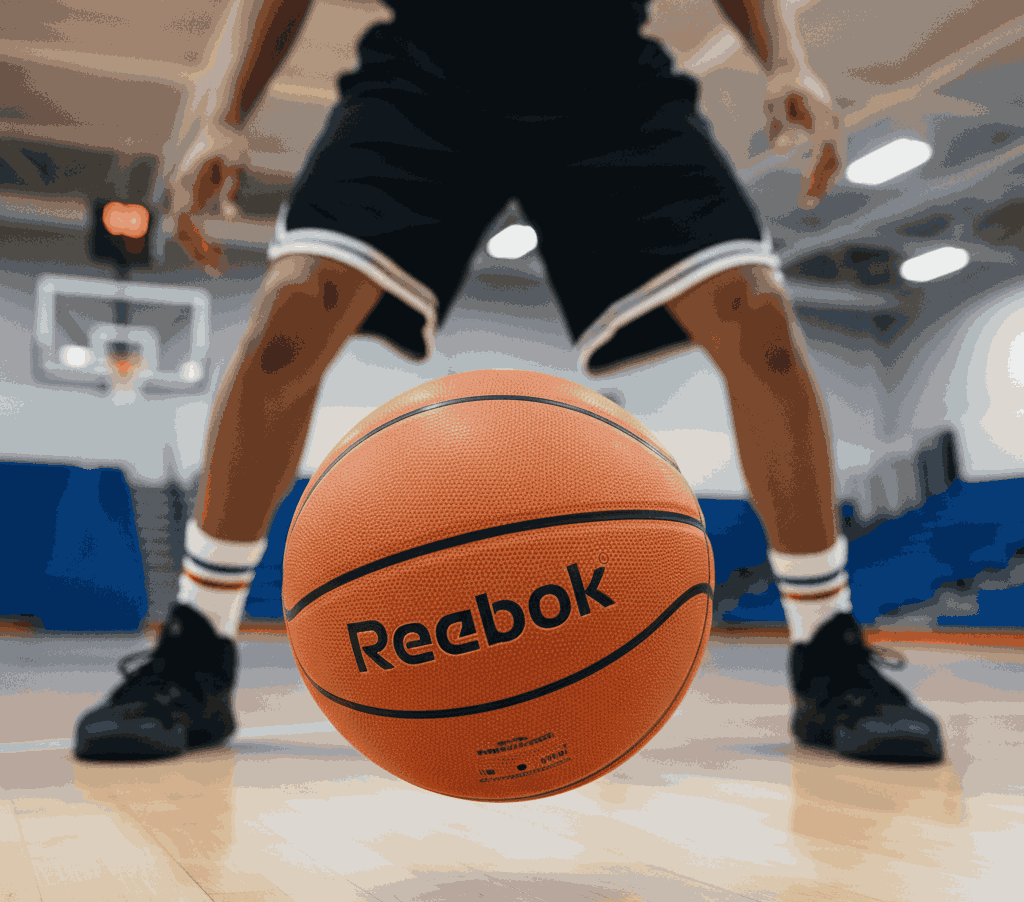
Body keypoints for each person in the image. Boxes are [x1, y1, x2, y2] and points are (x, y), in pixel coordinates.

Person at [74, 0, 942, 763]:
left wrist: (787, 60)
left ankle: (827, 648)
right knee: (294, 308)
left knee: (759, 318)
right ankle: (197, 646)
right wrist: (223, 113)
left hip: (606, 74)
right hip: (424, 73)